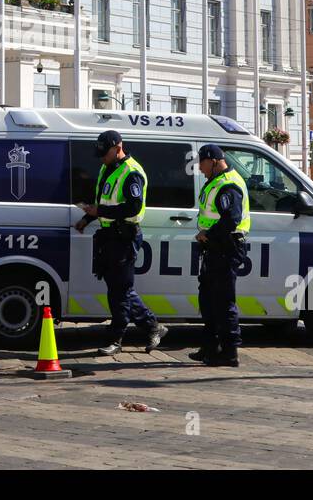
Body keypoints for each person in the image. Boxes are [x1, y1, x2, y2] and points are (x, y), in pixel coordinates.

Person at [75, 130, 167, 356]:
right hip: (109, 237)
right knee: (118, 289)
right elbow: (103, 201)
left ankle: (117, 338)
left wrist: (101, 211)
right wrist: (88, 218)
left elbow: (133, 208)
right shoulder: (108, 168)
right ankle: (152, 326)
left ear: (118, 147)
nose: (101, 158)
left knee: (121, 290)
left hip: (124, 237)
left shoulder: (131, 172)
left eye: (104, 153)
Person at [189, 144, 249, 367]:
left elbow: (231, 219)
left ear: (213, 160)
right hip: (215, 248)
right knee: (208, 300)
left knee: (223, 302)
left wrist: (209, 234)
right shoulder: (217, 181)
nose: (200, 169)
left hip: (226, 247)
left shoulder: (228, 185)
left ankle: (229, 352)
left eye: (202, 164)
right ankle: (210, 347)